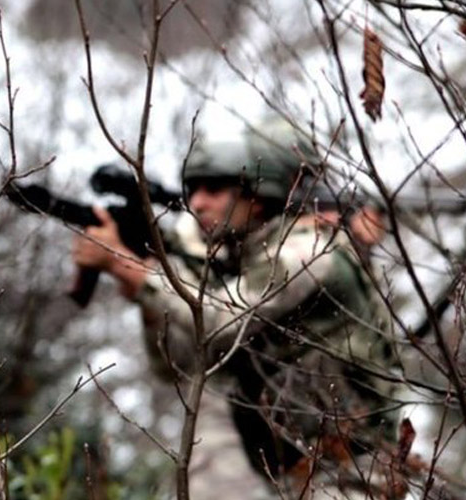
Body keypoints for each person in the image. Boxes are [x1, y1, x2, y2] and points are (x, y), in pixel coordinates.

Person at [72, 131, 398, 499]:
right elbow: (177, 365)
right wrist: (145, 293)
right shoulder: (242, 264)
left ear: (257, 198)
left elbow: (216, 320)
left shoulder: (306, 253)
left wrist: (128, 267)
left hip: (358, 469)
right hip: (298, 472)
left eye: (214, 189)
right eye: (192, 190)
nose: (197, 203)